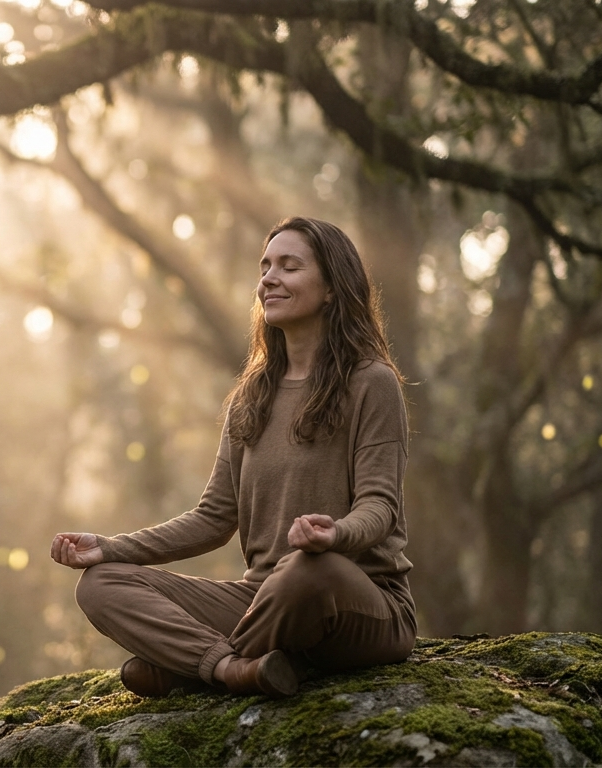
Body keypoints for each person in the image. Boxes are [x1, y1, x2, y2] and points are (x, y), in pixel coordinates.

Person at [50, 216, 416, 699]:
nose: (268, 278)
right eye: (265, 266)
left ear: (331, 288)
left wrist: (336, 533)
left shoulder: (372, 382)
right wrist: (110, 547)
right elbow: (213, 518)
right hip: (263, 600)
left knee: (307, 571)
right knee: (100, 585)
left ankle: (189, 668)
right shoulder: (252, 394)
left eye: (289, 266)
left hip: (357, 600)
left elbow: (379, 506)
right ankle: (230, 669)